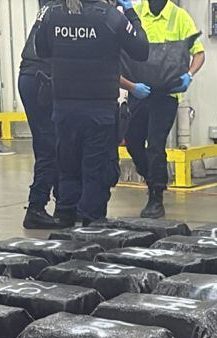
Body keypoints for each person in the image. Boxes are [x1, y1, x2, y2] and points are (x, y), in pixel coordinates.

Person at [34, 0, 150, 225]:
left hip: (64, 107)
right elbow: (141, 49)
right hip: (99, 109)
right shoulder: (110, 17)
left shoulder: (54, 14)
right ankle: (92, 222)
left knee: (68, 167)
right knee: (97, 169)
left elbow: (42, 50)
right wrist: (131, 14)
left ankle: (65, 217)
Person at [119, 0, 205, 219]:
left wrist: (189, 75)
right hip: (140, 91)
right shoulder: (135, 14)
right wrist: (131, 86)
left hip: (167, 93)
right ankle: (152, 177)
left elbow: (199, 53)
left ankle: (155, 198)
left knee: (156, 145)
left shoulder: (180, 17)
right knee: (132, 141)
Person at [18, 0, 64, 229]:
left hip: (31, 75)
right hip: (41, 77)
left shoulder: (49, 7)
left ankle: (62, 202)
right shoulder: (63, 10)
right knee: (50, 145)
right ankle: (36, 206)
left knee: (49, 143)